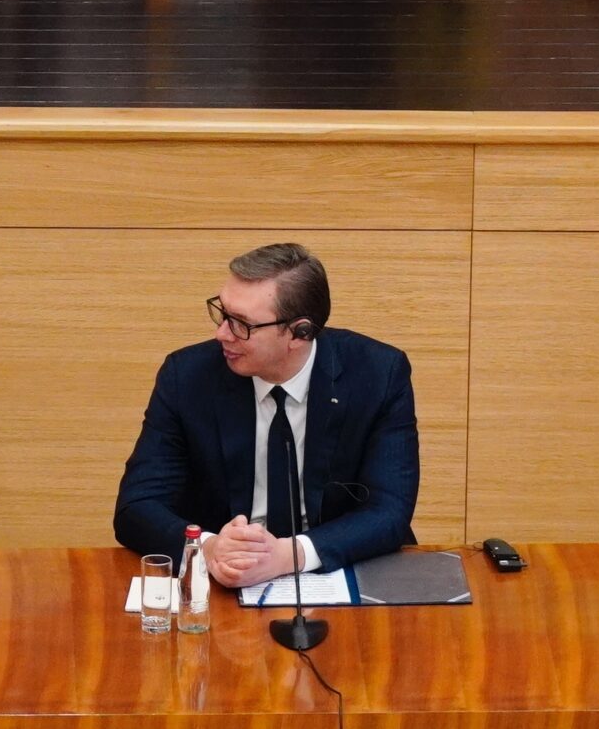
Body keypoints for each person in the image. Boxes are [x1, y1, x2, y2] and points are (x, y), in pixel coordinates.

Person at [114, 242, 418, 587]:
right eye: (222, 313)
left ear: (299, 333)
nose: (222, 333)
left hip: (335, 574)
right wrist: (209, 547)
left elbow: (389, 512)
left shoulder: (378, 374)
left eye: (241, 324)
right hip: (223, 582)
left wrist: (289, 555)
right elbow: (136, 507)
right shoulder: (187, 377)